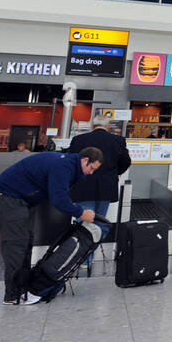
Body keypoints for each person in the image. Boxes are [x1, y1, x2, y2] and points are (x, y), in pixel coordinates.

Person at [0, 147, 103, 304]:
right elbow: (59, 199)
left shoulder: (71, 167)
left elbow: (58, 193)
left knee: (27, 242)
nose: (91, 173)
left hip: (24, 200)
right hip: (7, 196)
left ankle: (24, 288)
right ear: (85, 160)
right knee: (16, 244)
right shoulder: (64, 166)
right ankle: (12, 295)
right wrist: (81, 213)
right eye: (91, 168)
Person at [69, 111, 133, 273]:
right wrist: (113, 174)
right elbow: (126, 162)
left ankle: (77, 258)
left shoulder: (78, 140)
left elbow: (71, 161)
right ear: (108, 127)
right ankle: (88, 259)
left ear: (92, 125)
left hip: (82, 187)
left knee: (82, 223)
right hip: (106, 188)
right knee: (97, 224)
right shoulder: (117, 140)